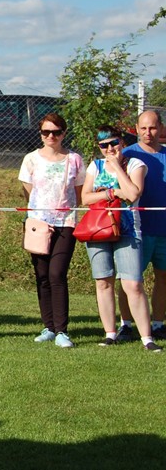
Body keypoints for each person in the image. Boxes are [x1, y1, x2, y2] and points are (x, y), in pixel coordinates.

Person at [80, 125, 162, 351]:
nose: (109, 149)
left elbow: (134, 193)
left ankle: (147, 337)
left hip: (127, 230)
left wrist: (116, 167)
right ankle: (110, 333)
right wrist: (112, 192)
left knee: (133, 283)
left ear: (122, 143)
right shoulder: (95, 167)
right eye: (104, 145)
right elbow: (85, 197)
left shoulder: (135, 164)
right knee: (103, 281)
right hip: (99, 229)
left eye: (113, 143)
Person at [18, 112, 85, 348]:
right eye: (46, 132)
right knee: (42, 276)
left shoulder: (74, 159)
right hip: (38, 224)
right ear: (40, 134)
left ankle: (61, 331)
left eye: (56, 132)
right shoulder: (31, 159)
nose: (51, 136)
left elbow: (78, 193)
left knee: (57, 274)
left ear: (63, 133)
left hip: (65, 222)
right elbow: (28, 191)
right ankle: (48, 326)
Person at [120, 110, 166, 340]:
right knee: (130, 280)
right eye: (144, 128)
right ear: (136, 129)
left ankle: (158, 324)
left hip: (164, 230)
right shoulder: (127, 155)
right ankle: (126, 324)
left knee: (163, 277)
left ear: (162, 128)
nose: (149, 133)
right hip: (135, 229)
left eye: (153, 127)